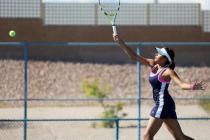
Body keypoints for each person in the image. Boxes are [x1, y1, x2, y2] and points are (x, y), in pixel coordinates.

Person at [113, 35, 206, 140]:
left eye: (160, 54)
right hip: (166, 104)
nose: (156, 54)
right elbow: (134, 56)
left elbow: (181, 85)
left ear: (165, 59)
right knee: (180, 137)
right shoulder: (154, 65)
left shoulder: (168, 71)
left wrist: (192, 86)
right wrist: (121, 43)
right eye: (157, 53)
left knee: (147, 136)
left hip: (163, 104)